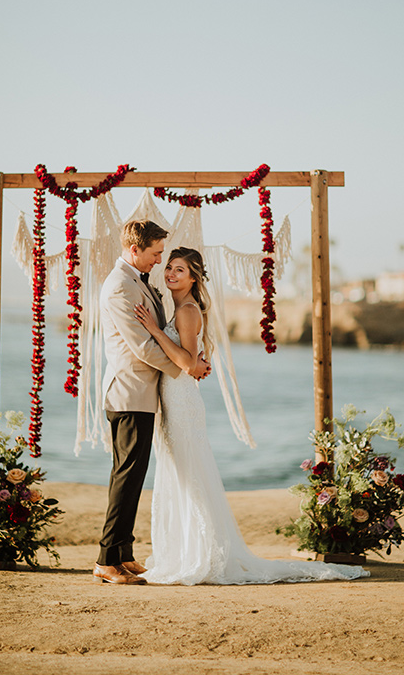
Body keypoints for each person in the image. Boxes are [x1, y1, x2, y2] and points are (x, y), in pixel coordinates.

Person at [134, 246, 369, 585]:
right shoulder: (182, 309)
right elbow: (192, 360)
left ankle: (199, 555)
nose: (170, 273)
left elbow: (186, 363)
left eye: (179, 270)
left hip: (183, 402)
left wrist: (155, 332)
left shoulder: (186, 310)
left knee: (190, 475)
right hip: (176, 400)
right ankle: (186, 550)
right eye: (169, 267)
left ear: (194, 277)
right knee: (182, 475)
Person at [93, 222, 210, 585]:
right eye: (156, 253)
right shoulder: (119, 287)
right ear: (134, 250)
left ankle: (124, 555)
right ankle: (107, 560)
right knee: (127, 476)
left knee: (133, 474)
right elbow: (142, 347)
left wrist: (189, 358)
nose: (160, 260)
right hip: (129, 392)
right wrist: (187, 367)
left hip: (145, 394)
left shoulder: (137, 282)